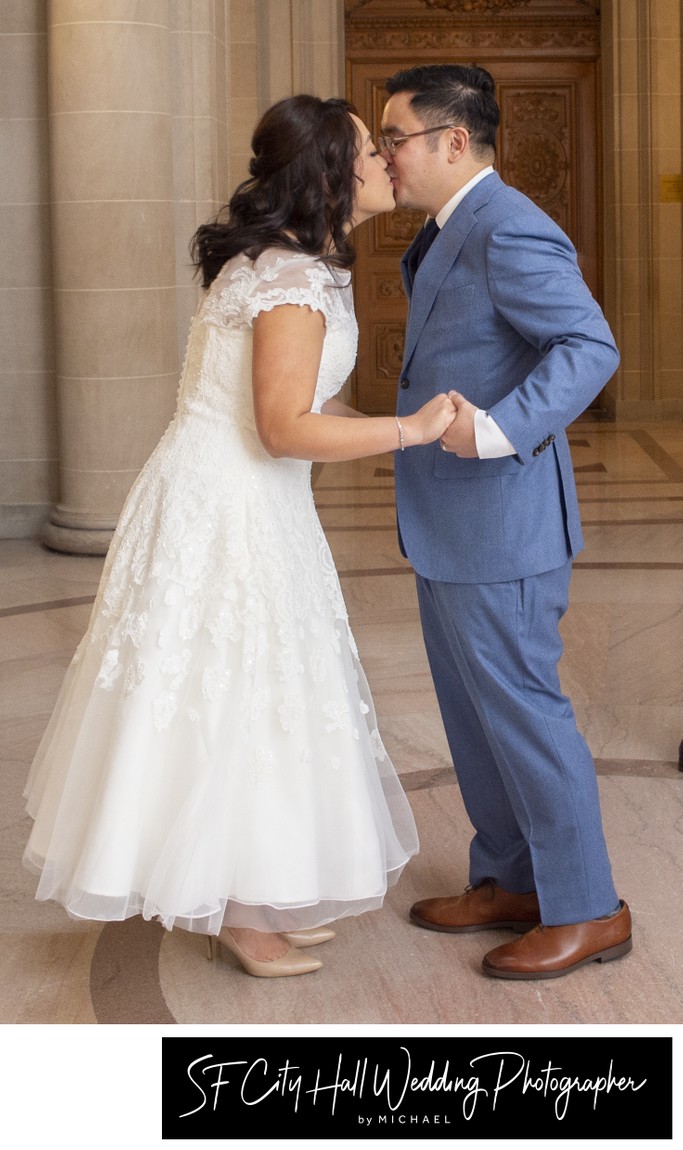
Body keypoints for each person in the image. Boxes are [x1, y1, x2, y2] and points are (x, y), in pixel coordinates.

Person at [23, 95, 456, 979]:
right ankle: (235, 909)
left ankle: (247, 890)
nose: (383, 161)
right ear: (332, 174)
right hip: (230, 506)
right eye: (368, 150)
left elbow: (306, 406)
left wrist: (390, 424)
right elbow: (282, 428)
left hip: (237, 496)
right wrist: (409, 433)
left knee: (257, 690)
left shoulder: (292, 266)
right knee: (241, 695)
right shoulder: (289, 279)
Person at [380, 64, 632, 980]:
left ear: (454, 142)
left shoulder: (510, 224)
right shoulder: (452, 227)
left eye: (393, 138)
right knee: (473, 717)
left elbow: (588, 345)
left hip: (501, 523)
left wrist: (496, 431)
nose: (383, 156)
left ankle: (586, 907)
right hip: (451, 524)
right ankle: (509, 881)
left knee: (523, 717)